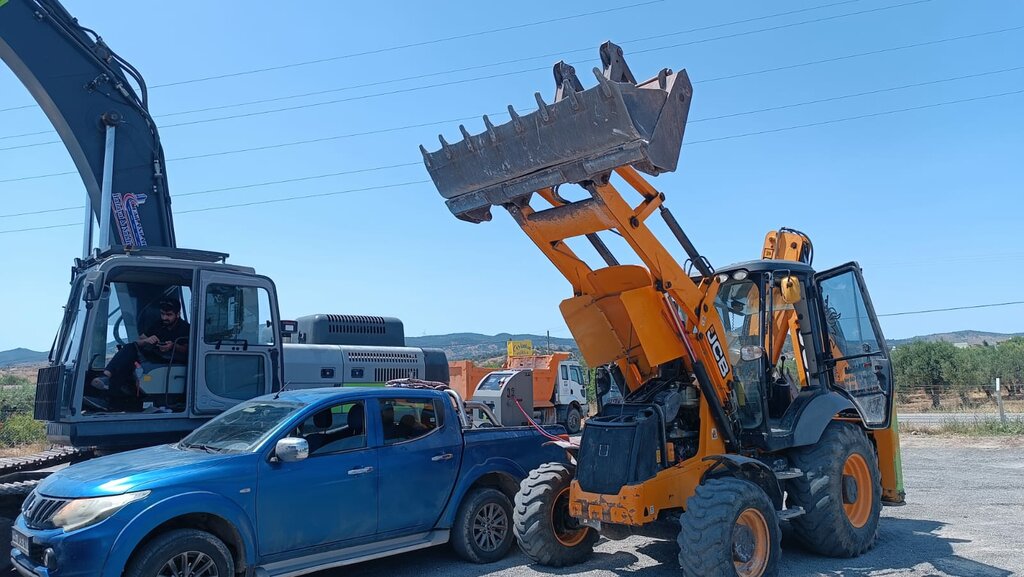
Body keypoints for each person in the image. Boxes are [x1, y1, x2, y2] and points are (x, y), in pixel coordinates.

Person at [90, 299, 190, 406]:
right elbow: (141, 339)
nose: (165, 318)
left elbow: (189, 349)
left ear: (178, 314)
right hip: (156, 354)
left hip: (173, 358)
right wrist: (147, 340)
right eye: (162, 314)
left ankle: (108, 394)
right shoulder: (159, 324)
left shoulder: (185, 327)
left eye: (169, 315)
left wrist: (173, 346)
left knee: (129, 359)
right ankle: (107, 383)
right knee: (130, 350)